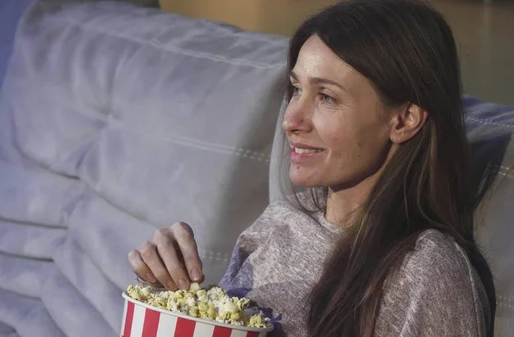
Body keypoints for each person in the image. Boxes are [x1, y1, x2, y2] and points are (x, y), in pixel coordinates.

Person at [127, 0, 496, 336]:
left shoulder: (427, 274)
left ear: (403, 120)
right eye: (295, 89)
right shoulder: (279, 223)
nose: (291, 119)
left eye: (326, 97)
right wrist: (169, 296)